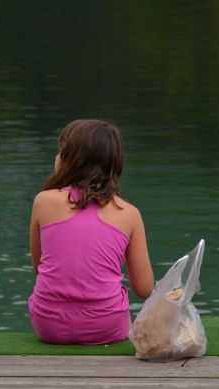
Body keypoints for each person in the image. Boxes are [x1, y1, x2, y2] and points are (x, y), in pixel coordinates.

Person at [28, 119, 154, 345]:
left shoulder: (43, 201)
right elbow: (144, 289)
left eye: (61, 152)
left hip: (48, 325)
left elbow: (39, 268)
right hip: (107, 327)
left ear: (72, 162)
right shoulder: (129, 213)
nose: (56, 157)